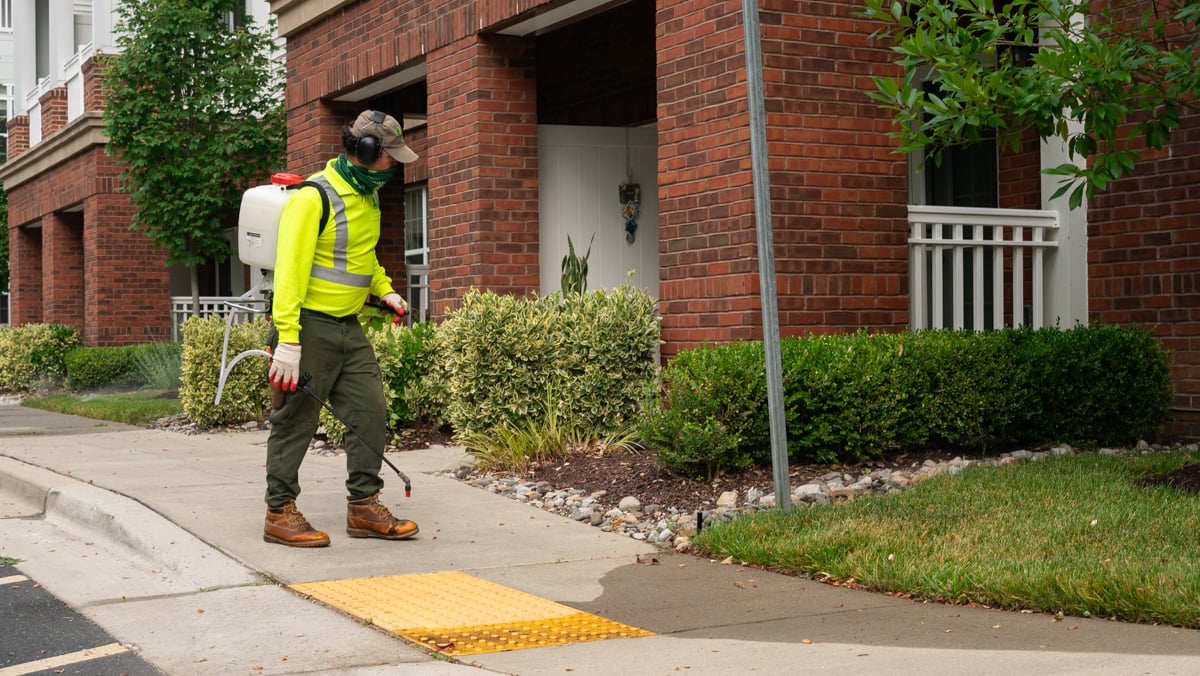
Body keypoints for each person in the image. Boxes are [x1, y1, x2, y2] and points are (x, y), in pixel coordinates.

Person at [262, 109, 420, 548]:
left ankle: (364, 506)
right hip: (308, 330)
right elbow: (289, 274)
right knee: (294, 422)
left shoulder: (367, 198)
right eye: (388, 157)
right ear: (365, 151)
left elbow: (362, 256)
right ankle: (279, 512)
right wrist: (288, 341)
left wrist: (384, 290)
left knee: (370, 413)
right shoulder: (313, 198)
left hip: (350, 328)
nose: (392, 166)